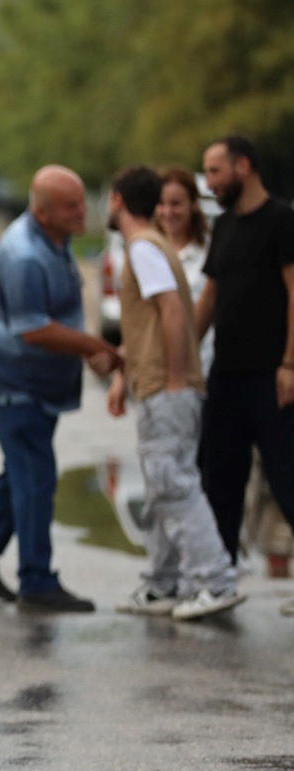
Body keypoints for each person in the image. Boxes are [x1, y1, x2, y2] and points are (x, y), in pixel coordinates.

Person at [0, 165, 120, 612]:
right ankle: (36, 581)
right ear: (41, 210)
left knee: (21, 471)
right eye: (71, 206)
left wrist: (83, 349)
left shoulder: (55, 236)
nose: (81, 213)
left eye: (79, 203)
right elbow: (32, 329)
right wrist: (94, 345)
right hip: (14, 379)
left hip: (37, 379)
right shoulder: (23, 253)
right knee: (35, 477)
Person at [104, 165, 245, 620]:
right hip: (159, 384)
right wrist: (128, 376)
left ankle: (215, 580)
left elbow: (171, 313)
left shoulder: (143, 248)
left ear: (118, 201)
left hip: (167, 388)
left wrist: (174, 379)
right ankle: (163, 584)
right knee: (162, 485)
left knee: (175, 485)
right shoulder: (151, 245)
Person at [194, 135, 294, 572]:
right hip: (227, 375)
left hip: (271, 375)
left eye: (215, 171)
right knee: (219, 481)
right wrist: (182, 356)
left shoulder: (282, 220)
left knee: (286, 479)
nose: (210, 182)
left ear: (244, 167)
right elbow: (210, 296)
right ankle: (220, 574)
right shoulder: (224, 225)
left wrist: (290, 363)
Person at [156, 167, 212, 374]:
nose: (168, 212)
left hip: (204, 368)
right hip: (160, 373)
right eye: (161, 204)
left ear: (194, 205)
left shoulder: (210, 253)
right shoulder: (149, 253)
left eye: (176, 204)